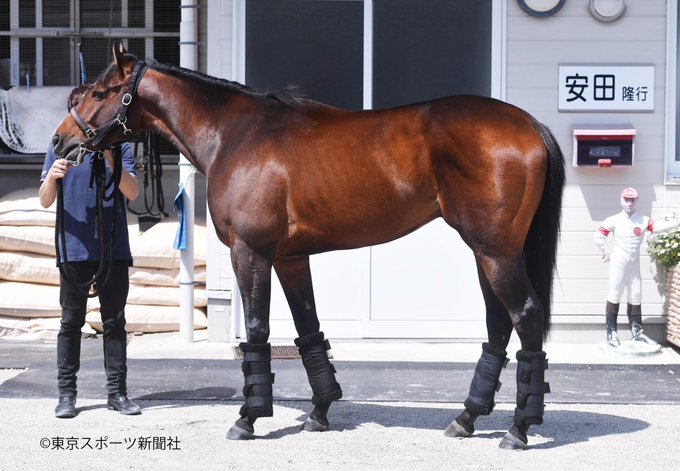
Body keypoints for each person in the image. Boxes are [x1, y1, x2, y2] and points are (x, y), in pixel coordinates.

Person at [39, 84, 140, 418]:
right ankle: (66, 395)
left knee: (115, 321)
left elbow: (133, 192)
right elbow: (44, 200)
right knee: (71, 322)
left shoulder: (119, 146)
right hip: (73, 248)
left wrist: (110, 157)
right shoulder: (59, 145)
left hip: (113, 248)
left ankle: (117, 393)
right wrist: (52, 178)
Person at [593, 187, 665, 348]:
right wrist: (606, 252)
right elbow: (598, 236)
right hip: (618, 262)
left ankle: (637, 333)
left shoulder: (643, 220)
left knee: (636, 295)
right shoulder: (614, 219)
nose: (629, 203)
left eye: (632, 199)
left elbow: (658, 227)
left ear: (637, 200)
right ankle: (611, 333)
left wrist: (677, 223)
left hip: (634, 265)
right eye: (626, 199)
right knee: (615, 294)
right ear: (621, 200)